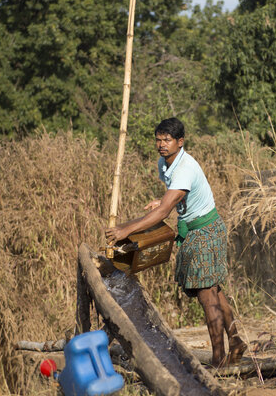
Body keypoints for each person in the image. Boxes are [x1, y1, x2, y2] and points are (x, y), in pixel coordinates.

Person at [105, 117, 247, 367]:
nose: (161, 144)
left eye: (167, 140)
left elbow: (164, 212)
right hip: (193, 231)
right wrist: (164, 201)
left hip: (205, 231)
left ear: (180, 142)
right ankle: (235, 340)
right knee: (213, 289)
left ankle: (218, 358)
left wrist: (126, 229)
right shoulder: (165, 163)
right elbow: (175, 197)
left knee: (206, 295)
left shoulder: (184, 168)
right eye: (158, 139)